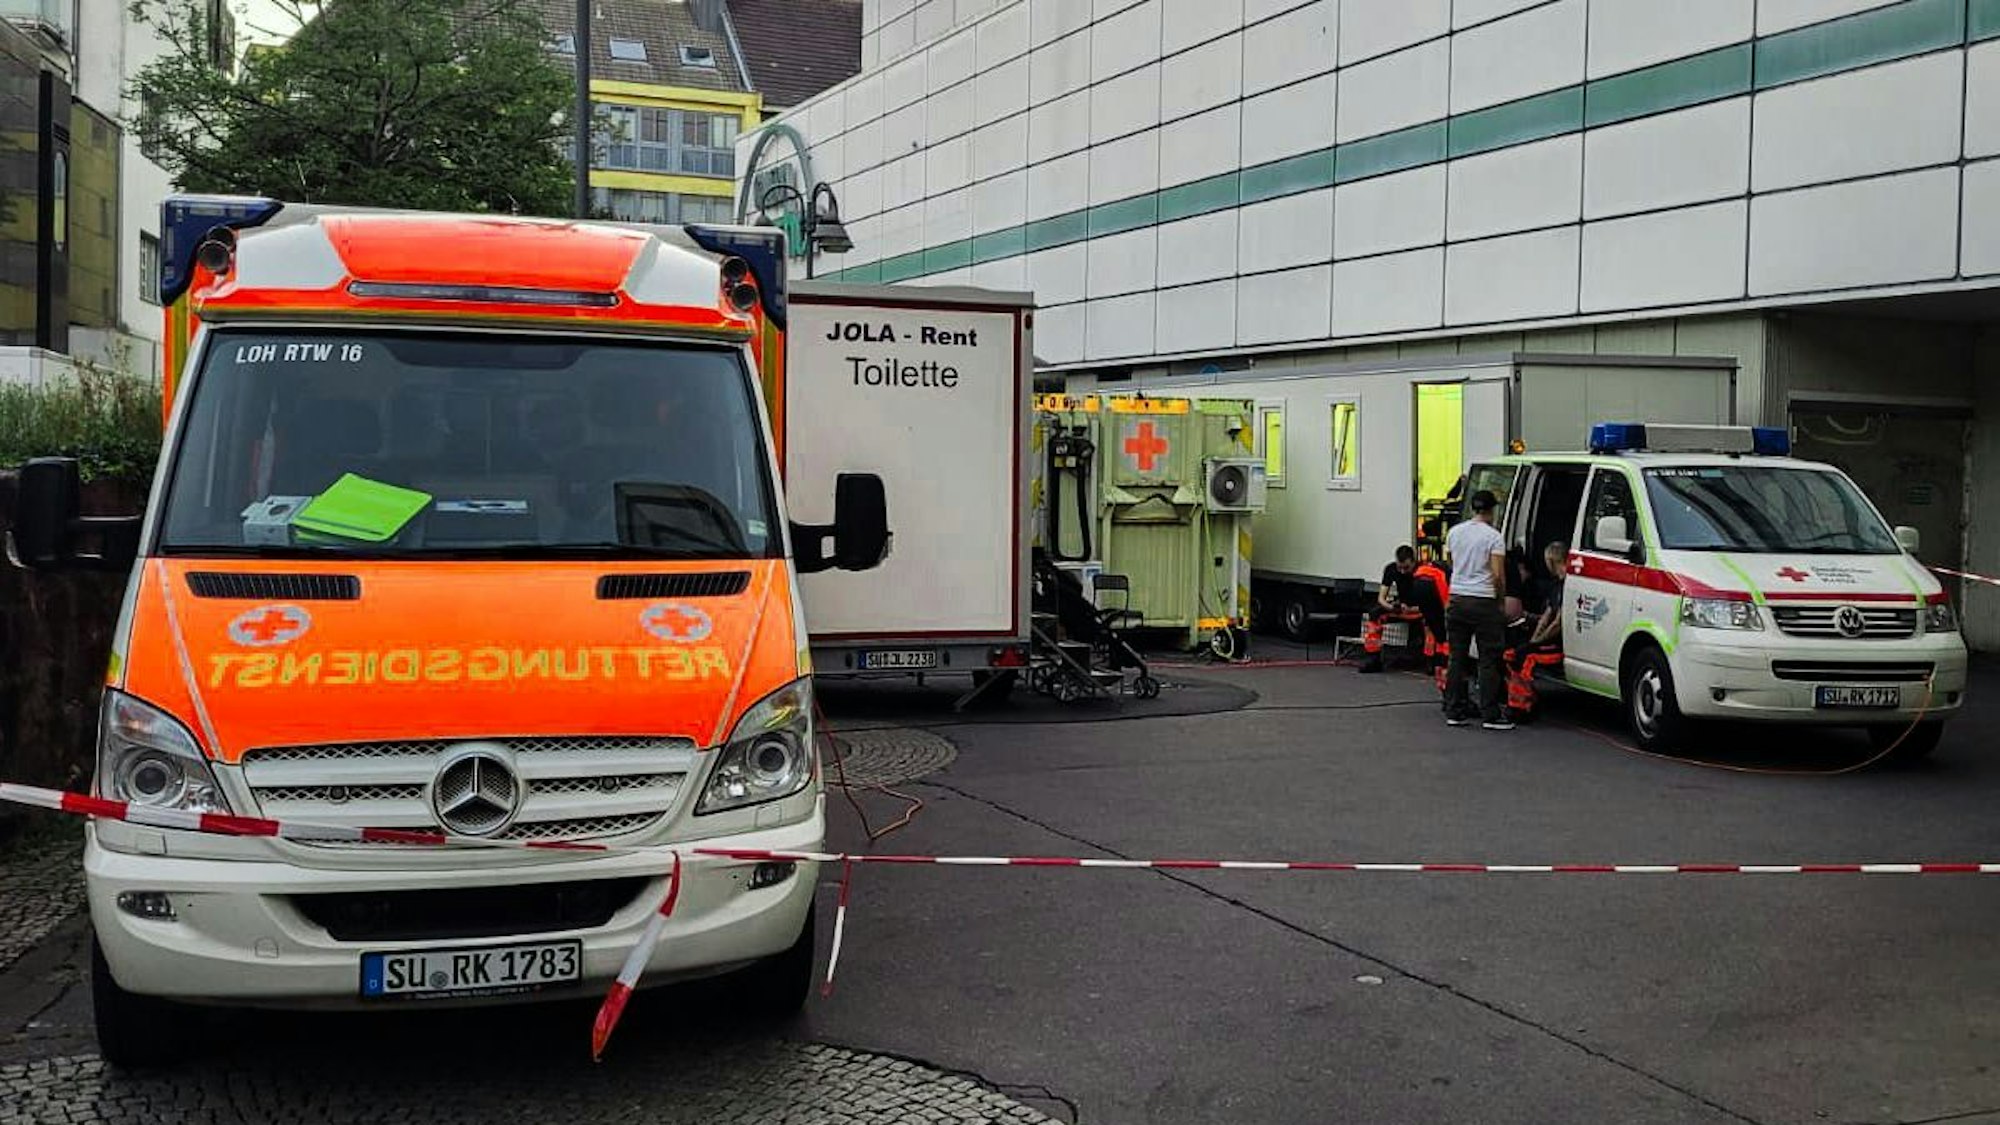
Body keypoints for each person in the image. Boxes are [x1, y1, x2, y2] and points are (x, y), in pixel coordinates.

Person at [1442, 489, 1511, 731]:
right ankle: (1490, 714)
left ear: (1473, 508)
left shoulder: (1454, 532)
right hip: (1483, 602)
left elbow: (1451, 562)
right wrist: (1500, 601)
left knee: (1456, 657)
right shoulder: (1494, 537)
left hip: (1457, 599)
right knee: (1488, 659)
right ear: (1491, 510)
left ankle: (1454, 710)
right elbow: (1497, 575)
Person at [1505, 540, 1569, 721]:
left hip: (1559, 645)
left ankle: (1523, 707)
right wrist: (1532, 642)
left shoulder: (1568, 585)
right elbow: (1545, 618)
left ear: (1551, 560)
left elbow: (1558, 623)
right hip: (1547, 642)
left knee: (1523, 659)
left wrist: (1537, 643)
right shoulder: (1556, 585)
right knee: (1512, 654)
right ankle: (1519, 700)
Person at [1357, 545, 1446, 674]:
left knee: (1431, 620)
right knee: (1375, 613)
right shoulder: (1391, 569)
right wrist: (1393, 607)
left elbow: (1432, 601)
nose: (1403, 571)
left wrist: (1413, 609)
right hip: (1401, 608)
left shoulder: (1423, 572)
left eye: (1406, 568)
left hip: (1420, 608)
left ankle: (1431, 661)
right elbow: (1381, 599)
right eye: (1400, 567)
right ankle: (1373, 658)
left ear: (1413, 562)